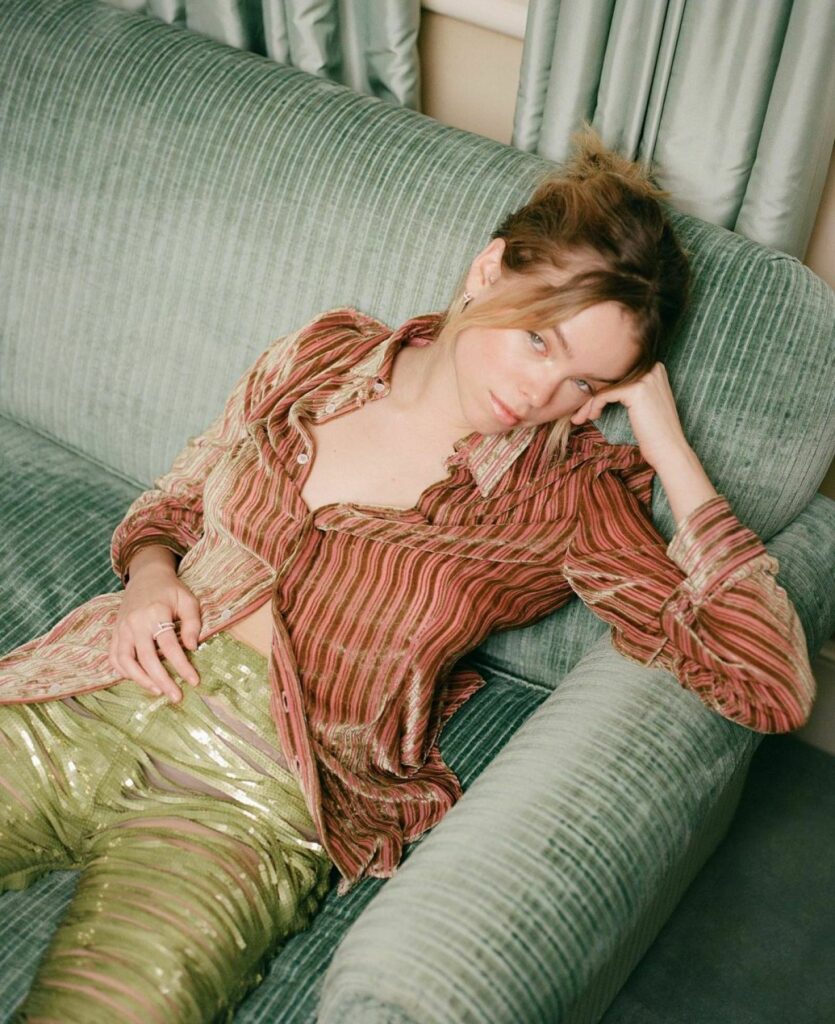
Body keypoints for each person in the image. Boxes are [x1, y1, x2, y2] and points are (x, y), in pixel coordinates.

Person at [0, 124, 816, 1023]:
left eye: (586, 384)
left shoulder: (563, 497)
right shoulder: (323, 356)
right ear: (488, 271)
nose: (541, 395)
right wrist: (151, 575)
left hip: (246, 801)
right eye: (538, 341)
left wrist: (669, 450)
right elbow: (183, 492)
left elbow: (765, 682)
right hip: (97, 692)